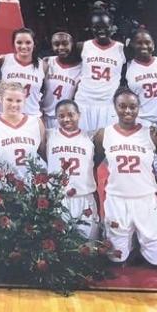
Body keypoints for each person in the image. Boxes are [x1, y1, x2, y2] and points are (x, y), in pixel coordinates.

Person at [93, 89, 157, 267]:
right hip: (116, 200)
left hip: (146, 199)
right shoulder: (104, 134)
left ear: (139, 108)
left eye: (133, 107)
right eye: (122, 106)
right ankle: (131, 247)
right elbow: (92, 166)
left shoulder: (152, 134)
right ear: (115, 107)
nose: (128, 111)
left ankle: (139, 248)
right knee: (116, 259)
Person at [47, 100, 99, 240]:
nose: (66, 119)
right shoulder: (49, 135)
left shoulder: (91, 136)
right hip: (59, 198)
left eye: (71, 114)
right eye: (61, 116)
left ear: (79, 115)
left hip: (84, 197)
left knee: (88, 245)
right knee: (60, 246)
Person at [0, 81, 46, 180]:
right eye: (9, 100)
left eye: (18, 101)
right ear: (1, 99)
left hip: (33, 186)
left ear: (24, 101)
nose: (14, 104)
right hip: (3, 187)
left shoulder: (37, 123)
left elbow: (43, 153)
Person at [74, 10, 126, 131]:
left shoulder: (121, 48)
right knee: (83, 140)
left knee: (105, 142)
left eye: (105, 27)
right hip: (84, 102)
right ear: (90, 28)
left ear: (112, 27)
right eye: (96, 27)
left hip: (108, 103)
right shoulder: (82, 46)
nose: (101, 31)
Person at [124, 29, 157, 129]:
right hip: (142, 121)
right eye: (139, 43)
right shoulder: (127, 67)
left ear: (153, 44)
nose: (144, 46)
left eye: (147, 42)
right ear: (132, 45)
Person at [0, 27, 45, 117]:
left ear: (34, 44)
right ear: (13, 44)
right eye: (19, 42)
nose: (23, 46)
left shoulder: (43, 65)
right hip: (4, 116)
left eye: (28, 42)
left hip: (31, 116)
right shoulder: (4, 60)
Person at [40, 31, 81, 130]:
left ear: (72, 44)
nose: (61, 48)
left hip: (64, 119)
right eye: (56, 44)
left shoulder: (81, 68)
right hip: (43, 116)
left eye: (65, 44)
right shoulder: (47, 62)